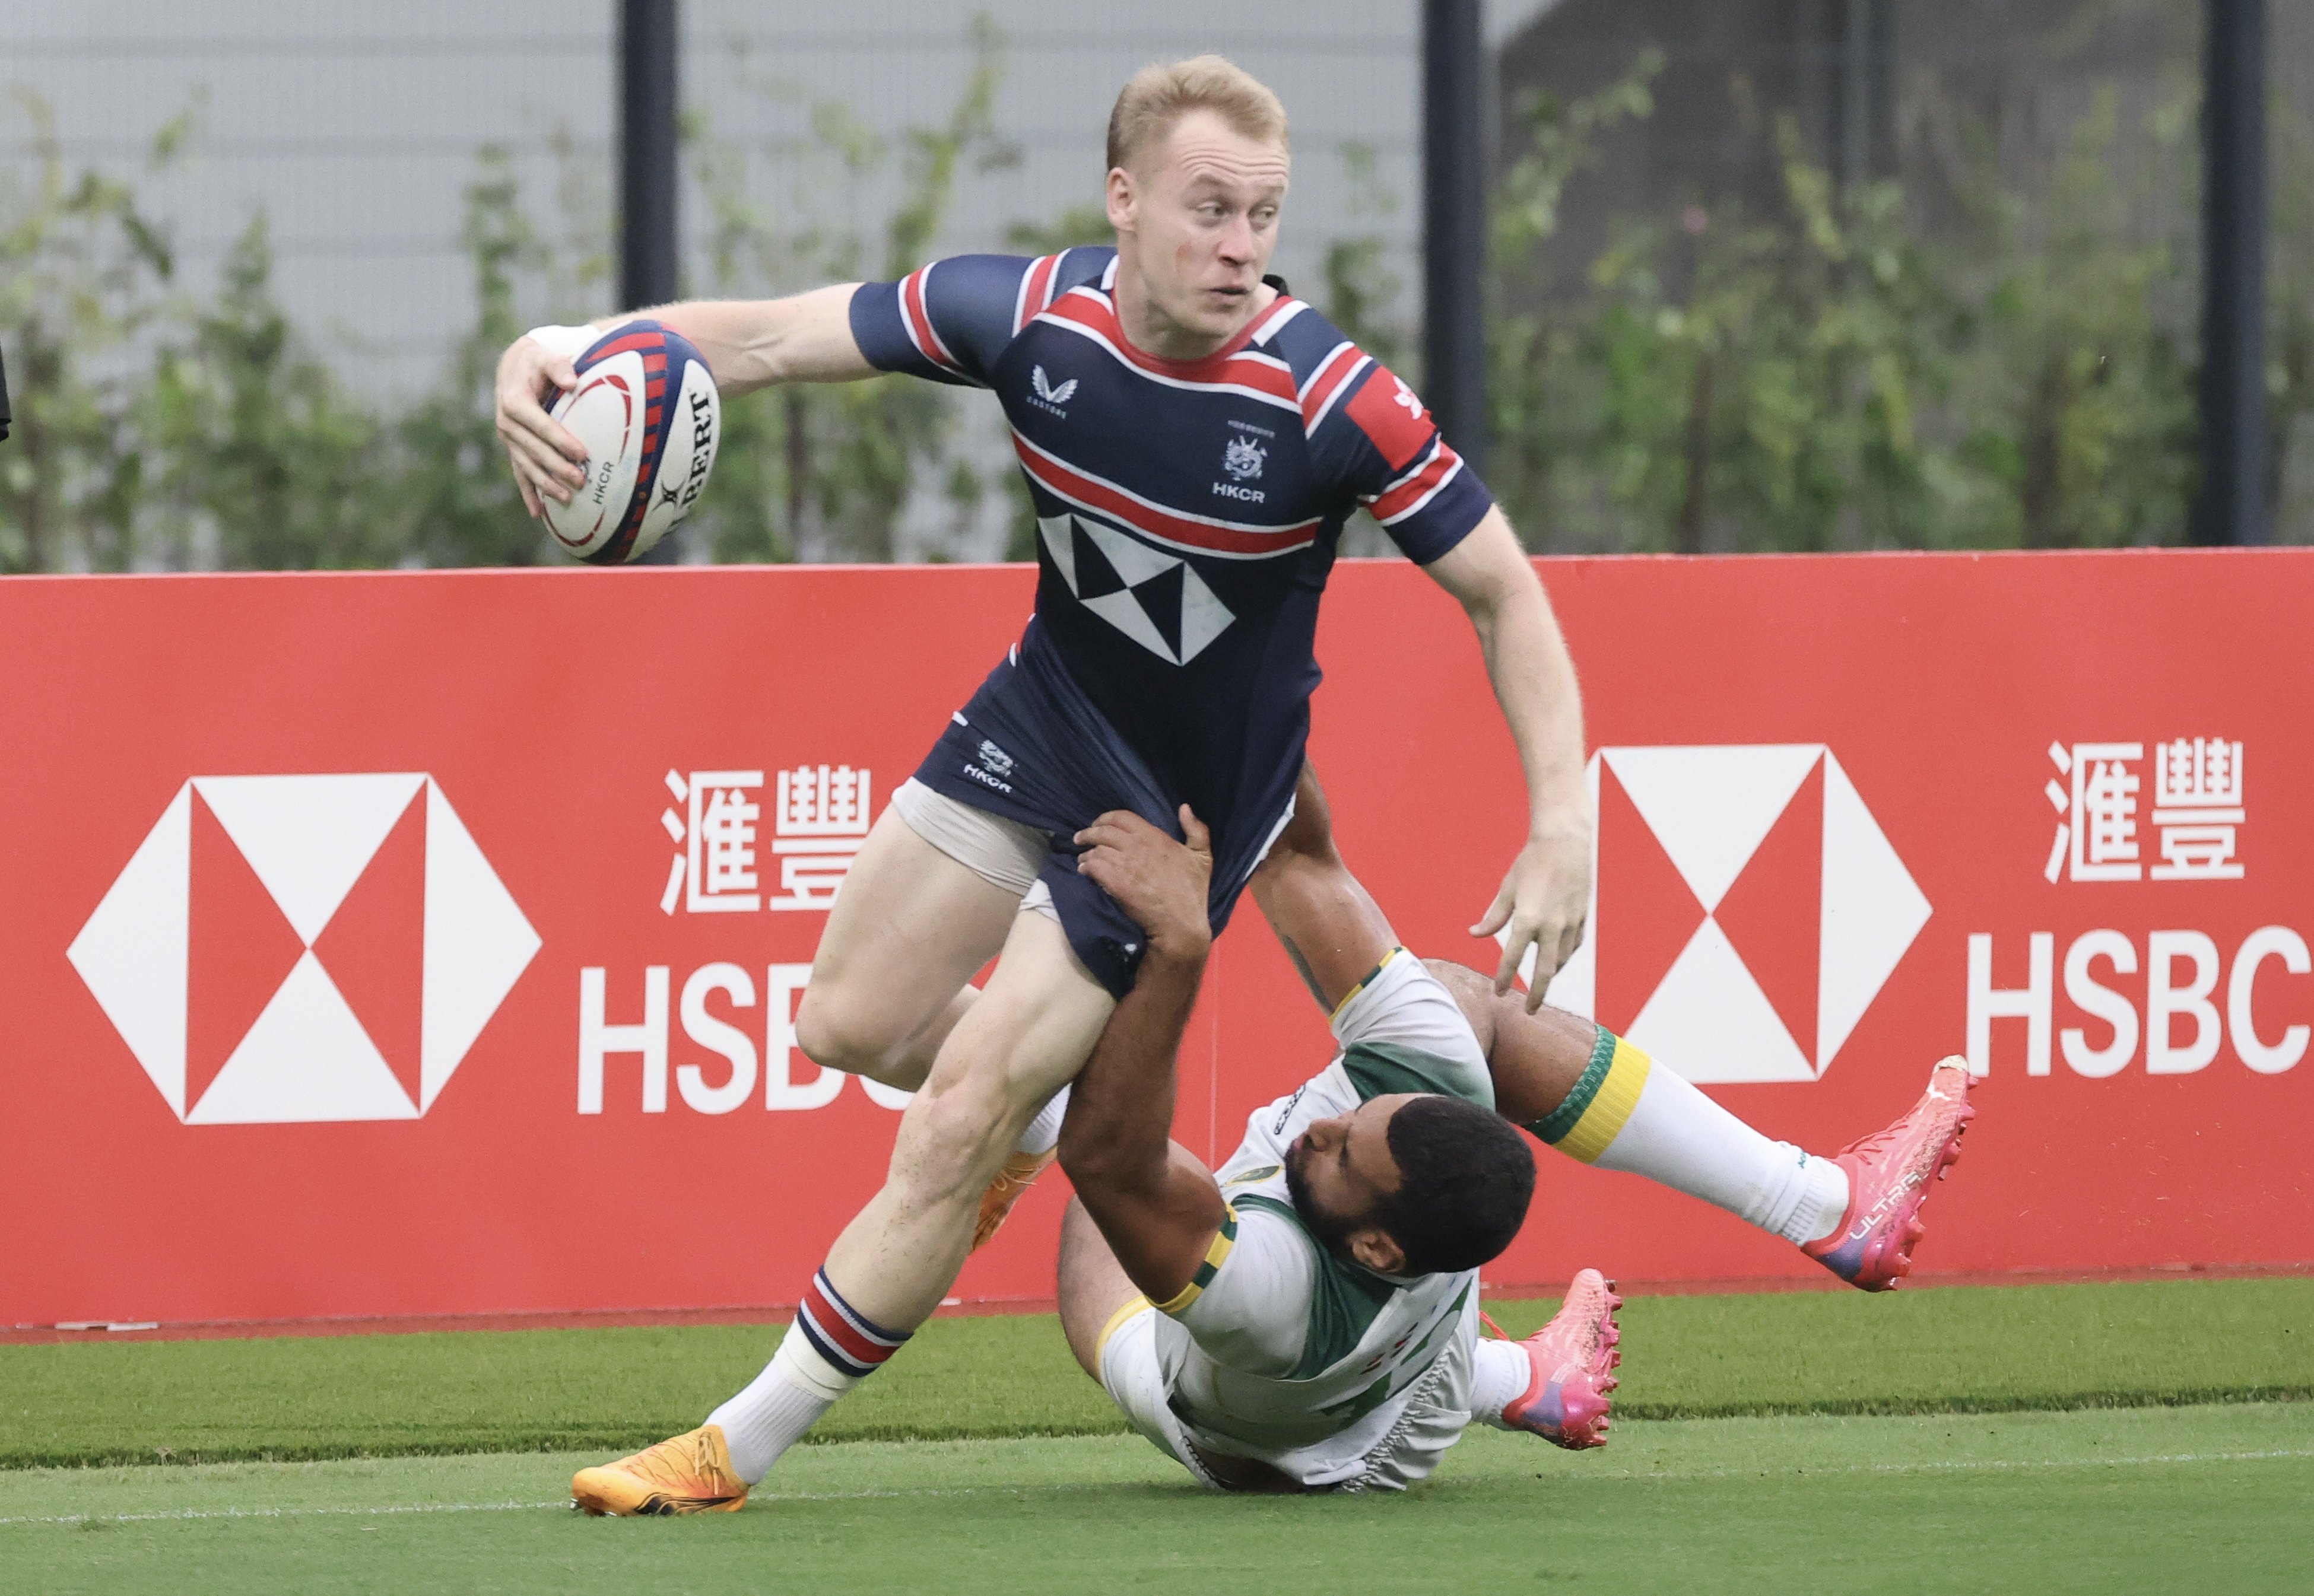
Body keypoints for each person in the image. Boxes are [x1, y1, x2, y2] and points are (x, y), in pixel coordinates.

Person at [515, 58, 1594, 1516]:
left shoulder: (1330, 395)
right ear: (1125, 198)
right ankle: (1041, 1127)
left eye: (1264, 215)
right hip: (1043, 714)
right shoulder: (1029, 317)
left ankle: (732, 1447)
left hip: (1177, 820)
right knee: (845, 1020)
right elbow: (764, 341)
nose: (1242, 246)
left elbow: (1505, 594)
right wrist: (567, 340)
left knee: (951, 1116)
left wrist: (1563, 821)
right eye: (1211, 208)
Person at [1042, 773, 1975, 1494]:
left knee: (1095, 1222)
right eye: (1354, 1112)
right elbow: (1299, 856)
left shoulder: (1270, 1293)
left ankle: (1510, 1375)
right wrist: (1252, 652)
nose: (1323, 1120)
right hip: (1425, 1324)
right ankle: (1806, 1207)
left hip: (1290, 1451)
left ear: (1373, 1240)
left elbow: (1109, 1160)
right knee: (1455, 1004)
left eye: (1340, 1145)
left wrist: (1177, 938)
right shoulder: (1427, 1087)